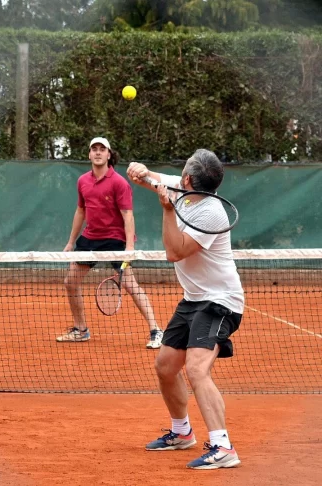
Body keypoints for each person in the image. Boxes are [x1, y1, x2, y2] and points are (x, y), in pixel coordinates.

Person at [127, 149, 243, 469]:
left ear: (188, 179)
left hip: (220, 301)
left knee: (195, 369)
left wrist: (166, 210)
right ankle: (182, 433)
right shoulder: (183, 188)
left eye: (183, 171)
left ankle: (223, 447)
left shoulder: (211, 213)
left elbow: (175, 253)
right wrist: (140, 171)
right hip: (193, 299)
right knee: (166, 366)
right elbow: (149, 179)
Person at [56, 137, 163, 349]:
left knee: (131, 285)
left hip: (114, 239)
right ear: (89, 154)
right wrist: (71, 242)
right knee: (70, 282)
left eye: (101, 149)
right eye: (93, 149)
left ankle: (156, 330)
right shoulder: (82, 181)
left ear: (108, 154)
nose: (97, 152)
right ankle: (81, 330)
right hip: (90, 238)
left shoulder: (119, 182)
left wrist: (129, 248)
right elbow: (80, 211)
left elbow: (128, 215)